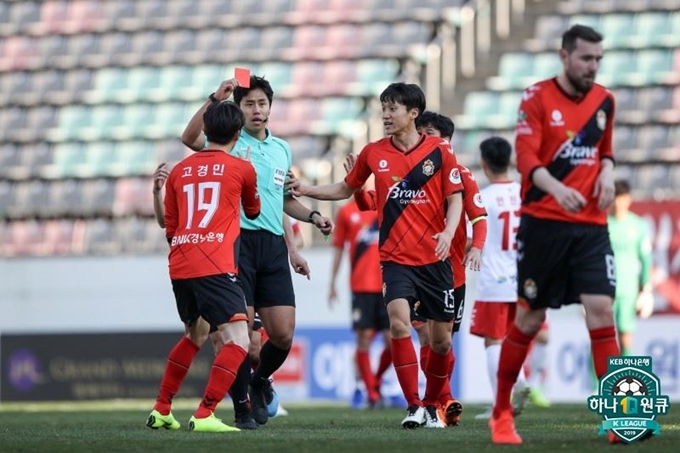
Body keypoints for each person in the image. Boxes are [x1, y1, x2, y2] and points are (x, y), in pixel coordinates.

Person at [288, 82, 465, 429]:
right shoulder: (373, 152)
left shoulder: (440, 152)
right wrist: (306, 189)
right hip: (395, 259)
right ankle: (414, 405)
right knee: (398, 325)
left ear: (413, 113)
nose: (385, 115)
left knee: (441, 342)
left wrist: (448, 231)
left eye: (393, 108)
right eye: (383, 108)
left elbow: (455, 197)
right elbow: (346, 188)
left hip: (435, 260)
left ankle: (432, 404)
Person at [489, 25, 620, 445]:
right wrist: (557, 187)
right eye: (586, 59)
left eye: (598, 59)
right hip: (544, 224)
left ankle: (622, 416)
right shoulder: (536, 97)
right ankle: (501, 413)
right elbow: (525, 157)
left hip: (592, 227)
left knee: (602, 311)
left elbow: (605, 151)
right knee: (530, 318)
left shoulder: (605, 101)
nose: (593, 66)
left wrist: (609, 172)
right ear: (565, 57)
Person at [181, 76, 334, 427]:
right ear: (239, 110)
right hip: (236, 245)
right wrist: (213, 99)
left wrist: (312, 217)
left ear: (270, 107)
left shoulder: (281, 149)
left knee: (282, 334)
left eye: (262, 103)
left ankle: (259, 380)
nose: (256, 110)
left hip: (272, 245)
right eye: (249, 104)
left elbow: (284, 199)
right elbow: (189, 139)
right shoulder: (229, 143)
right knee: (239, 336)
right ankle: (241, 409)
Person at [351, 111, 487, 426]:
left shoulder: (461, 176)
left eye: (432, 135)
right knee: (422, 334)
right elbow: (370, 200)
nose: (425, 140)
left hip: (452, 273)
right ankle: (438, 401)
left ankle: (438, 398)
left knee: (443, 341)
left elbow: (479, 217)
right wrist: (357, 187)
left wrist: (476, 247)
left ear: (446, 144)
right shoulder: (410, 175)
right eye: (422, 133)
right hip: (413, 266)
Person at [146, 100, 259, 433]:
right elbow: (253, 212)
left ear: (206, 130)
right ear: (238, 133)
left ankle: (162, 408)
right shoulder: (242, 167)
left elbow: (170, 228)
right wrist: (246, 172)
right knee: (239, 339)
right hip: (215, 262)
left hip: (180, 262)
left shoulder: (179, 171)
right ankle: (206, 412)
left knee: (195, 333)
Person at [469, 136, 536, 421]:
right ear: (509, 161)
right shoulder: (526, 194)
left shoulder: (482, 198)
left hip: (494, 282)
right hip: (522, 281)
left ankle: (502, 404)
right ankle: (516, 387)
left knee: (493, 341)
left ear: (484, 164)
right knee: (514, 338)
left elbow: (471, 240)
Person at [329, 198, 392, 409]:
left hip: (388, 284)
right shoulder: (346, 211)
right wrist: (332, 282)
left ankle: (374, 381)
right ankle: (371, 392)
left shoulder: (385, 207)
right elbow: (338, 247)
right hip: (361, 285)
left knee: (393, 340)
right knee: (363, 338)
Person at [608, 179, 654, 355]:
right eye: (615, 197)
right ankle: (597, 383)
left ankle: (626, 381)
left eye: (622, 198)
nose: (618, 203)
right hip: (604, 292)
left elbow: (646, 259)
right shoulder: (602, 224)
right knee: (602, 337)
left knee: (626, 338)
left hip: (628, 291)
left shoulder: (638, 226)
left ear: (629, 199)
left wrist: (646, 290)